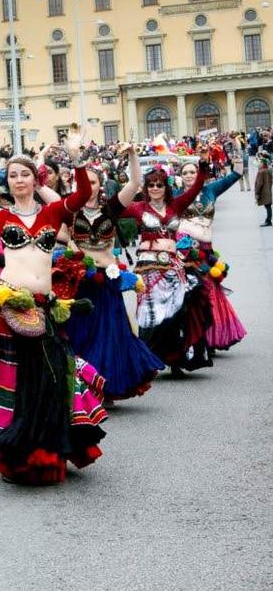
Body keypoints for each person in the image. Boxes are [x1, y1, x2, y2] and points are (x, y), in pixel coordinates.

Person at [0, 134, 104, 485]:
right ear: (6, 182)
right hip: (7, 309)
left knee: (50, 380)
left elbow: (84, 195)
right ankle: (13, 449)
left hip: (43, 307)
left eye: (24, 174)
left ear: (36, 179)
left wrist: (77, 159)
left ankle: (50, 445)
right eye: (12, 175)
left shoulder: (53, 213)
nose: (19, 180)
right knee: (11, 383)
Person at [60, 145, 165, 403]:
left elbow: (136, 182)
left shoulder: (111, 209)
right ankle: (82, 386)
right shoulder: (69, 210)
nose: (88, 185)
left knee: (109, 333)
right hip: (80, 279)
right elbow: (45, 202)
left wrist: (131, 155)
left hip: (106, 278)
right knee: (80, 332)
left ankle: (105, 385)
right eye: (84, 181)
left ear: (100, 184)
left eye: (93, 181)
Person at [121, 154, 209, 373]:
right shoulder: (138, 208)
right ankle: (148, 360)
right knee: (151, 314)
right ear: (146, 187)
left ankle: (176, 359)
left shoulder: (175, 205)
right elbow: (114, 208)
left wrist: (203, 170)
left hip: (172, 264)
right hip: (149, 267)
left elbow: (194, 190)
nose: (155, 188)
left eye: (159, 184)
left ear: (165, 186)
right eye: (151, 185)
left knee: (178, 310)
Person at [175, 157, 246, 352]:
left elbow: (236, 174)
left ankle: (211, 335)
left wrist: (237, 153)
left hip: (206, 250)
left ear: (199, 174)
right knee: (190, 294)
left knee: (210, 291)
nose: (189, 175)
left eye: (193, 172)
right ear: (180, 177)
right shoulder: (175, 195)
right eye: (185, 173)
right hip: (184, 252)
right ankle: (193, 336)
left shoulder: (210, 190)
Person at [256, 157, 271, 226]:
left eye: (260, 162)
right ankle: (268, 220)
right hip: (268, 190)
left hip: (263, 192)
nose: (259, 164)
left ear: (263, 163)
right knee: (268, 206)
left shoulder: (261, 172)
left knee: (267, 206)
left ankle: (268, 221)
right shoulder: (268, 170)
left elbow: (259, 183)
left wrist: (257, 193)